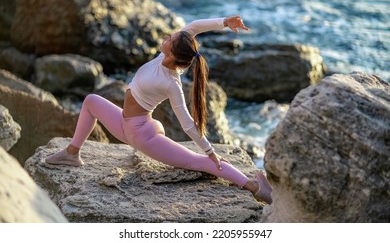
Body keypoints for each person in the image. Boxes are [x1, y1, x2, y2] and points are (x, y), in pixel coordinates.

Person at [45, 15, 273, 204]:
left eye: (169, 39)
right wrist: (224, 22)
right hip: (127, 124)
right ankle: (72, 154)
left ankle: (255, 188)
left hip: (142, 136)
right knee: (91, 101)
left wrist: (210, 151)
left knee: (202, 163)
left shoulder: (171, 83)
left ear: (173, 54)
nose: (167, 36)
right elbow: (193, 27)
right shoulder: (164, 57)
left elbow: (186, 121)